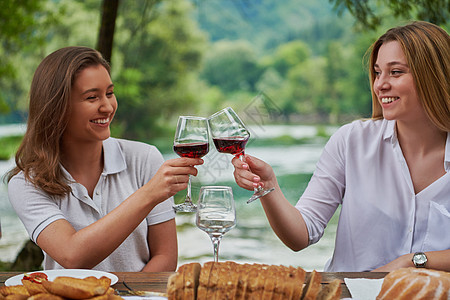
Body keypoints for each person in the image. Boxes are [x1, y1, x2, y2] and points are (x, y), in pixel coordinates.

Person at [232, 21, 450, 272]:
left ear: (433, 76)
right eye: (378, 72)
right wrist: (269, 186)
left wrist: (414, 261)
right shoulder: (350, 141)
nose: (380, 85)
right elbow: (301, 234)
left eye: (396, 72)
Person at [7, 46, 204, 272]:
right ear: (57, 107)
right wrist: (150, 193)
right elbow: (72, 256)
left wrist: (130, 298)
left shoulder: (144, 158)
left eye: (109, 93)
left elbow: (165, 257)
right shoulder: (26, 183)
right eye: (92, 97)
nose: (108, 107)